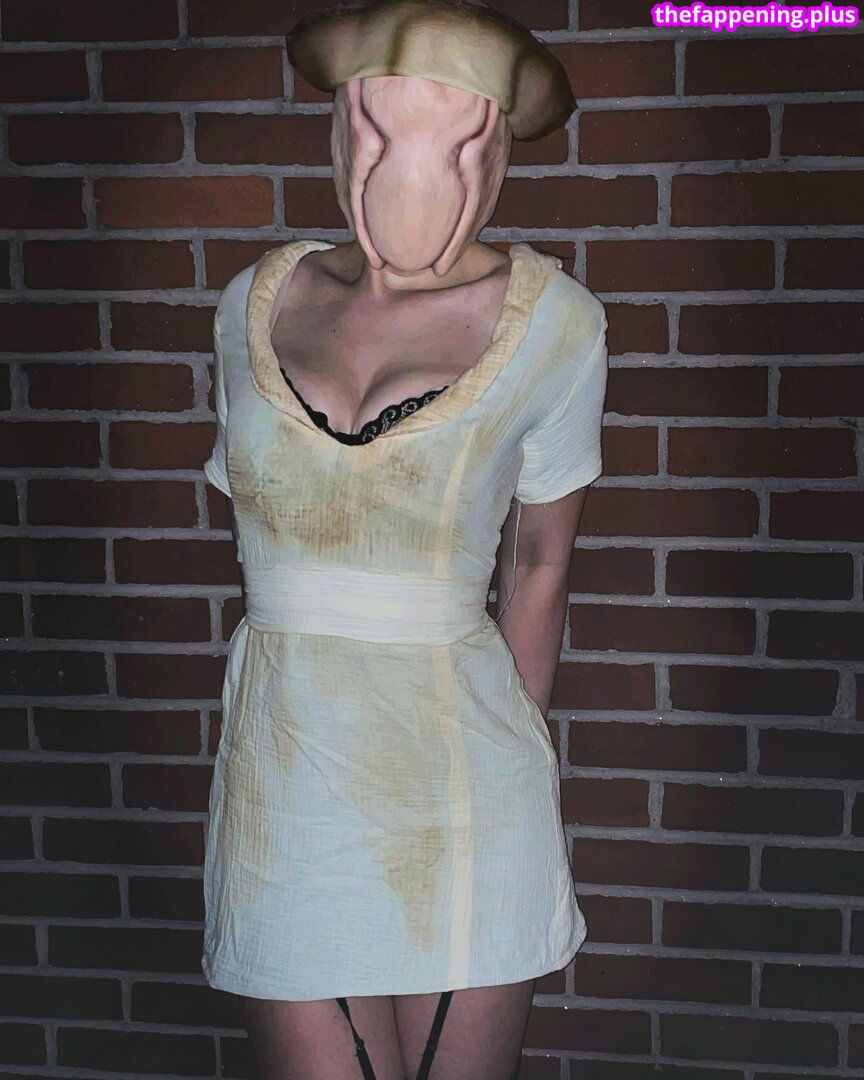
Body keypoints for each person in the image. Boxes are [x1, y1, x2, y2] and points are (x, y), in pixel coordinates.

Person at [200, 1, 609, 1077]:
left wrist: (524, 747)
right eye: (374, 128)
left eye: (459, 135)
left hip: (466, 778)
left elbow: (540, 560)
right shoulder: (253, 303)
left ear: (495, 146)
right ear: (342, 125)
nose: (407, 165)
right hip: (288, 773)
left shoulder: (555, 322)